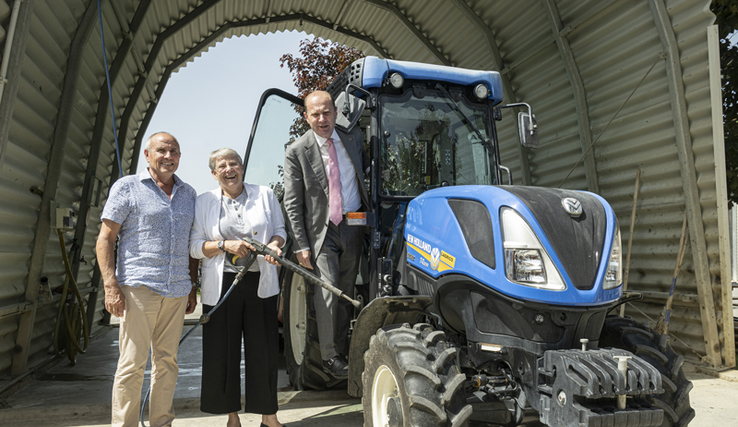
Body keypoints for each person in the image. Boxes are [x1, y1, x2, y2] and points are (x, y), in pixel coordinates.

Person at [96, 132, 198, 427]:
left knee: (167, 363)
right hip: (138, 288)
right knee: (132, 364)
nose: (169, 156)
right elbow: (105, 239)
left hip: (177, 289)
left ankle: (161, 423)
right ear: (147, 155)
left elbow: (191, 244)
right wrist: (110, 285)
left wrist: (192, 285)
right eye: (162, 150)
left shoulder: (188, 193)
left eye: (174, 151)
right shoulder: (127, 187)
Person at [189, 148, 287, 427]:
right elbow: (195, 247)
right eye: (222, 166)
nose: (229, 169)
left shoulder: (265, 194)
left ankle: (269, 416)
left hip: (261, 282)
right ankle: (232, 416)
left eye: (234, 164)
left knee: (264, 350)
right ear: (214, 173)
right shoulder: (204, 201)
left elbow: (280, 230)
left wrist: (275, 245)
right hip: (222, 285)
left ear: (242, 168)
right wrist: (223, 245)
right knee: (223, 352)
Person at [283, 90, 369, 378]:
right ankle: (330, 357)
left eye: (327, 112)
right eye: (315, 114)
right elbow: (293, 202)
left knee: (346, 293)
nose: (322, 119)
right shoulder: (297, 151)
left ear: (335, 112)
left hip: (355, 223)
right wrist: (300, 244)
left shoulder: (353, 137)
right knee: (328, 290)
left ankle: (343, 352)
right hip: (322, 231)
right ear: (306, 117)